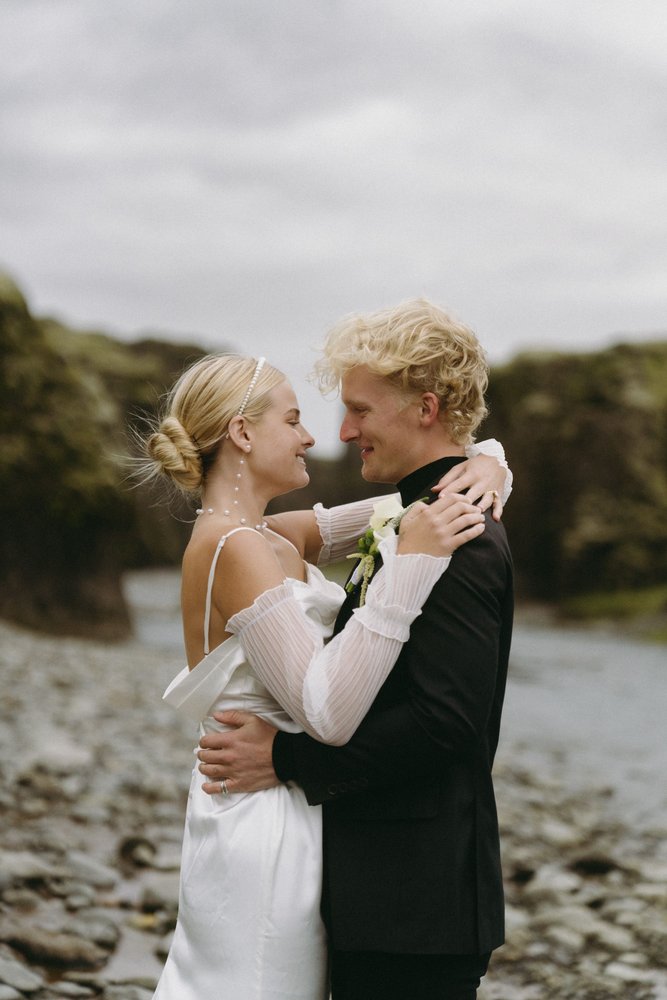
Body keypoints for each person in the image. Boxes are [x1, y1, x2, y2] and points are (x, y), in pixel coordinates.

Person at [143, 348, 511, 1000]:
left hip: (294, 804)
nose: (314, 436)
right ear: (242, 432)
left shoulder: (272, 535)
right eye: (292, 420)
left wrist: (488, 462)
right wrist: (408, 571)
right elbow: (326, 712)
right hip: (259, 810)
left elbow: (408, 508)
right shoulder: (232, 547)